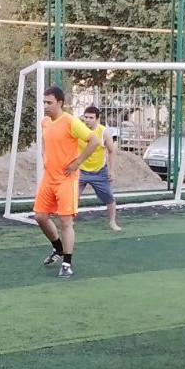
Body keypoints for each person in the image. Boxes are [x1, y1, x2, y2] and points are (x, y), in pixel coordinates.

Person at [35, 86, 103, 278]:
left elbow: (94, 141)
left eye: (49, 102)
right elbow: (46, 142)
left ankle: (67, 264)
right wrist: (45, 156)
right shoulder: (45, 122)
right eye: (44, 102)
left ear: (60, 103)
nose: (45, 106)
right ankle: (58, 248)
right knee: (40, 217)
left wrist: (77, 163)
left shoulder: (71, 122)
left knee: (65, 221)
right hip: (49, 178)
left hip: (66, 180)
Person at [78, 106, 122, 231]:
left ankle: (112, 222)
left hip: (99, 171)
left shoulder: (104, 132)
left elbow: (112, 150)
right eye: (86, 117)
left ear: (97, 119)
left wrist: (111, 170)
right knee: (72, 198)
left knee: (109, 197)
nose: (87, 120)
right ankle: (69, 222)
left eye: (91, 118)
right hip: (80, 170)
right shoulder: (79, 129)